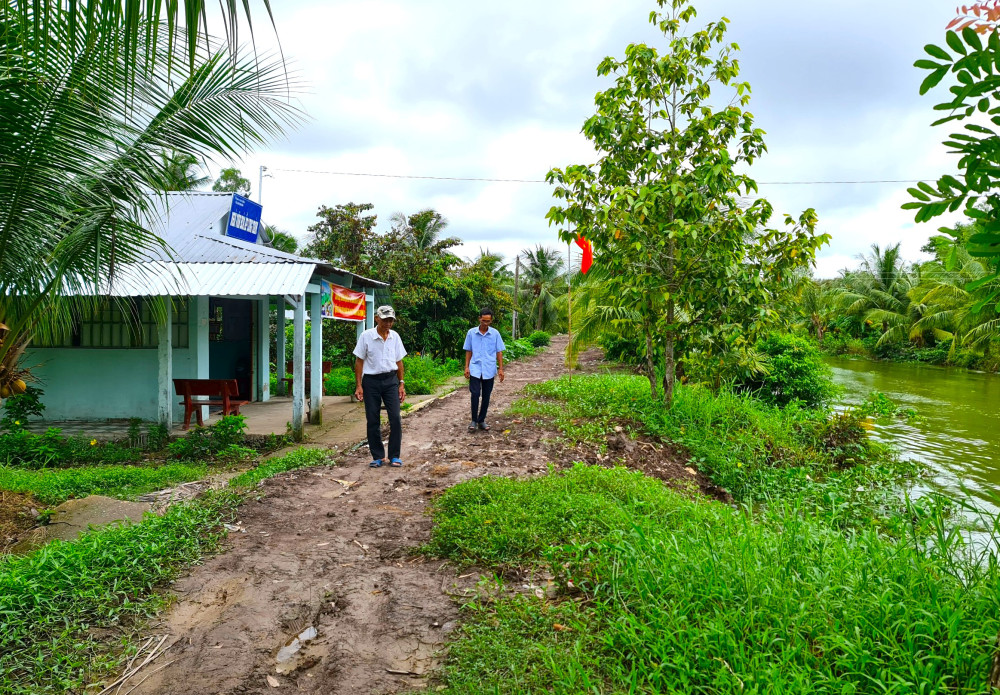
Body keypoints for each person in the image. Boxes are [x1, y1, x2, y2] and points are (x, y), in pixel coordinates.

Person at [353, 305, 407, 467]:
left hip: (391, 381)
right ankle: (378, 456)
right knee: (373, 419)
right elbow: (359, 361)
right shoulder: (366, 336)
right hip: (371, 382)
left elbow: (399, 361)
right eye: (385, 320)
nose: (388, 323)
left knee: (395, 418)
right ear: (377, 318)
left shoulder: (395, 337)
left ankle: (394, 455)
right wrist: (359, 385)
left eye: (391, 320)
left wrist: (401, 383)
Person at [463, 308, 505, 431]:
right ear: (479, 318)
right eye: (483, 320)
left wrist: (501, 369)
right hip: (475, 368)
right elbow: (468, 350)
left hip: (489, 369)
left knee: (486, 396)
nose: (485, 323)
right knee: (475, 394)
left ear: (491, 321)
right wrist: (466, 367)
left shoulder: (495, 334)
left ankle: (481, 420)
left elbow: (499, 352)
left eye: (488, 321)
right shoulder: (471, 333)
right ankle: (473, 421)